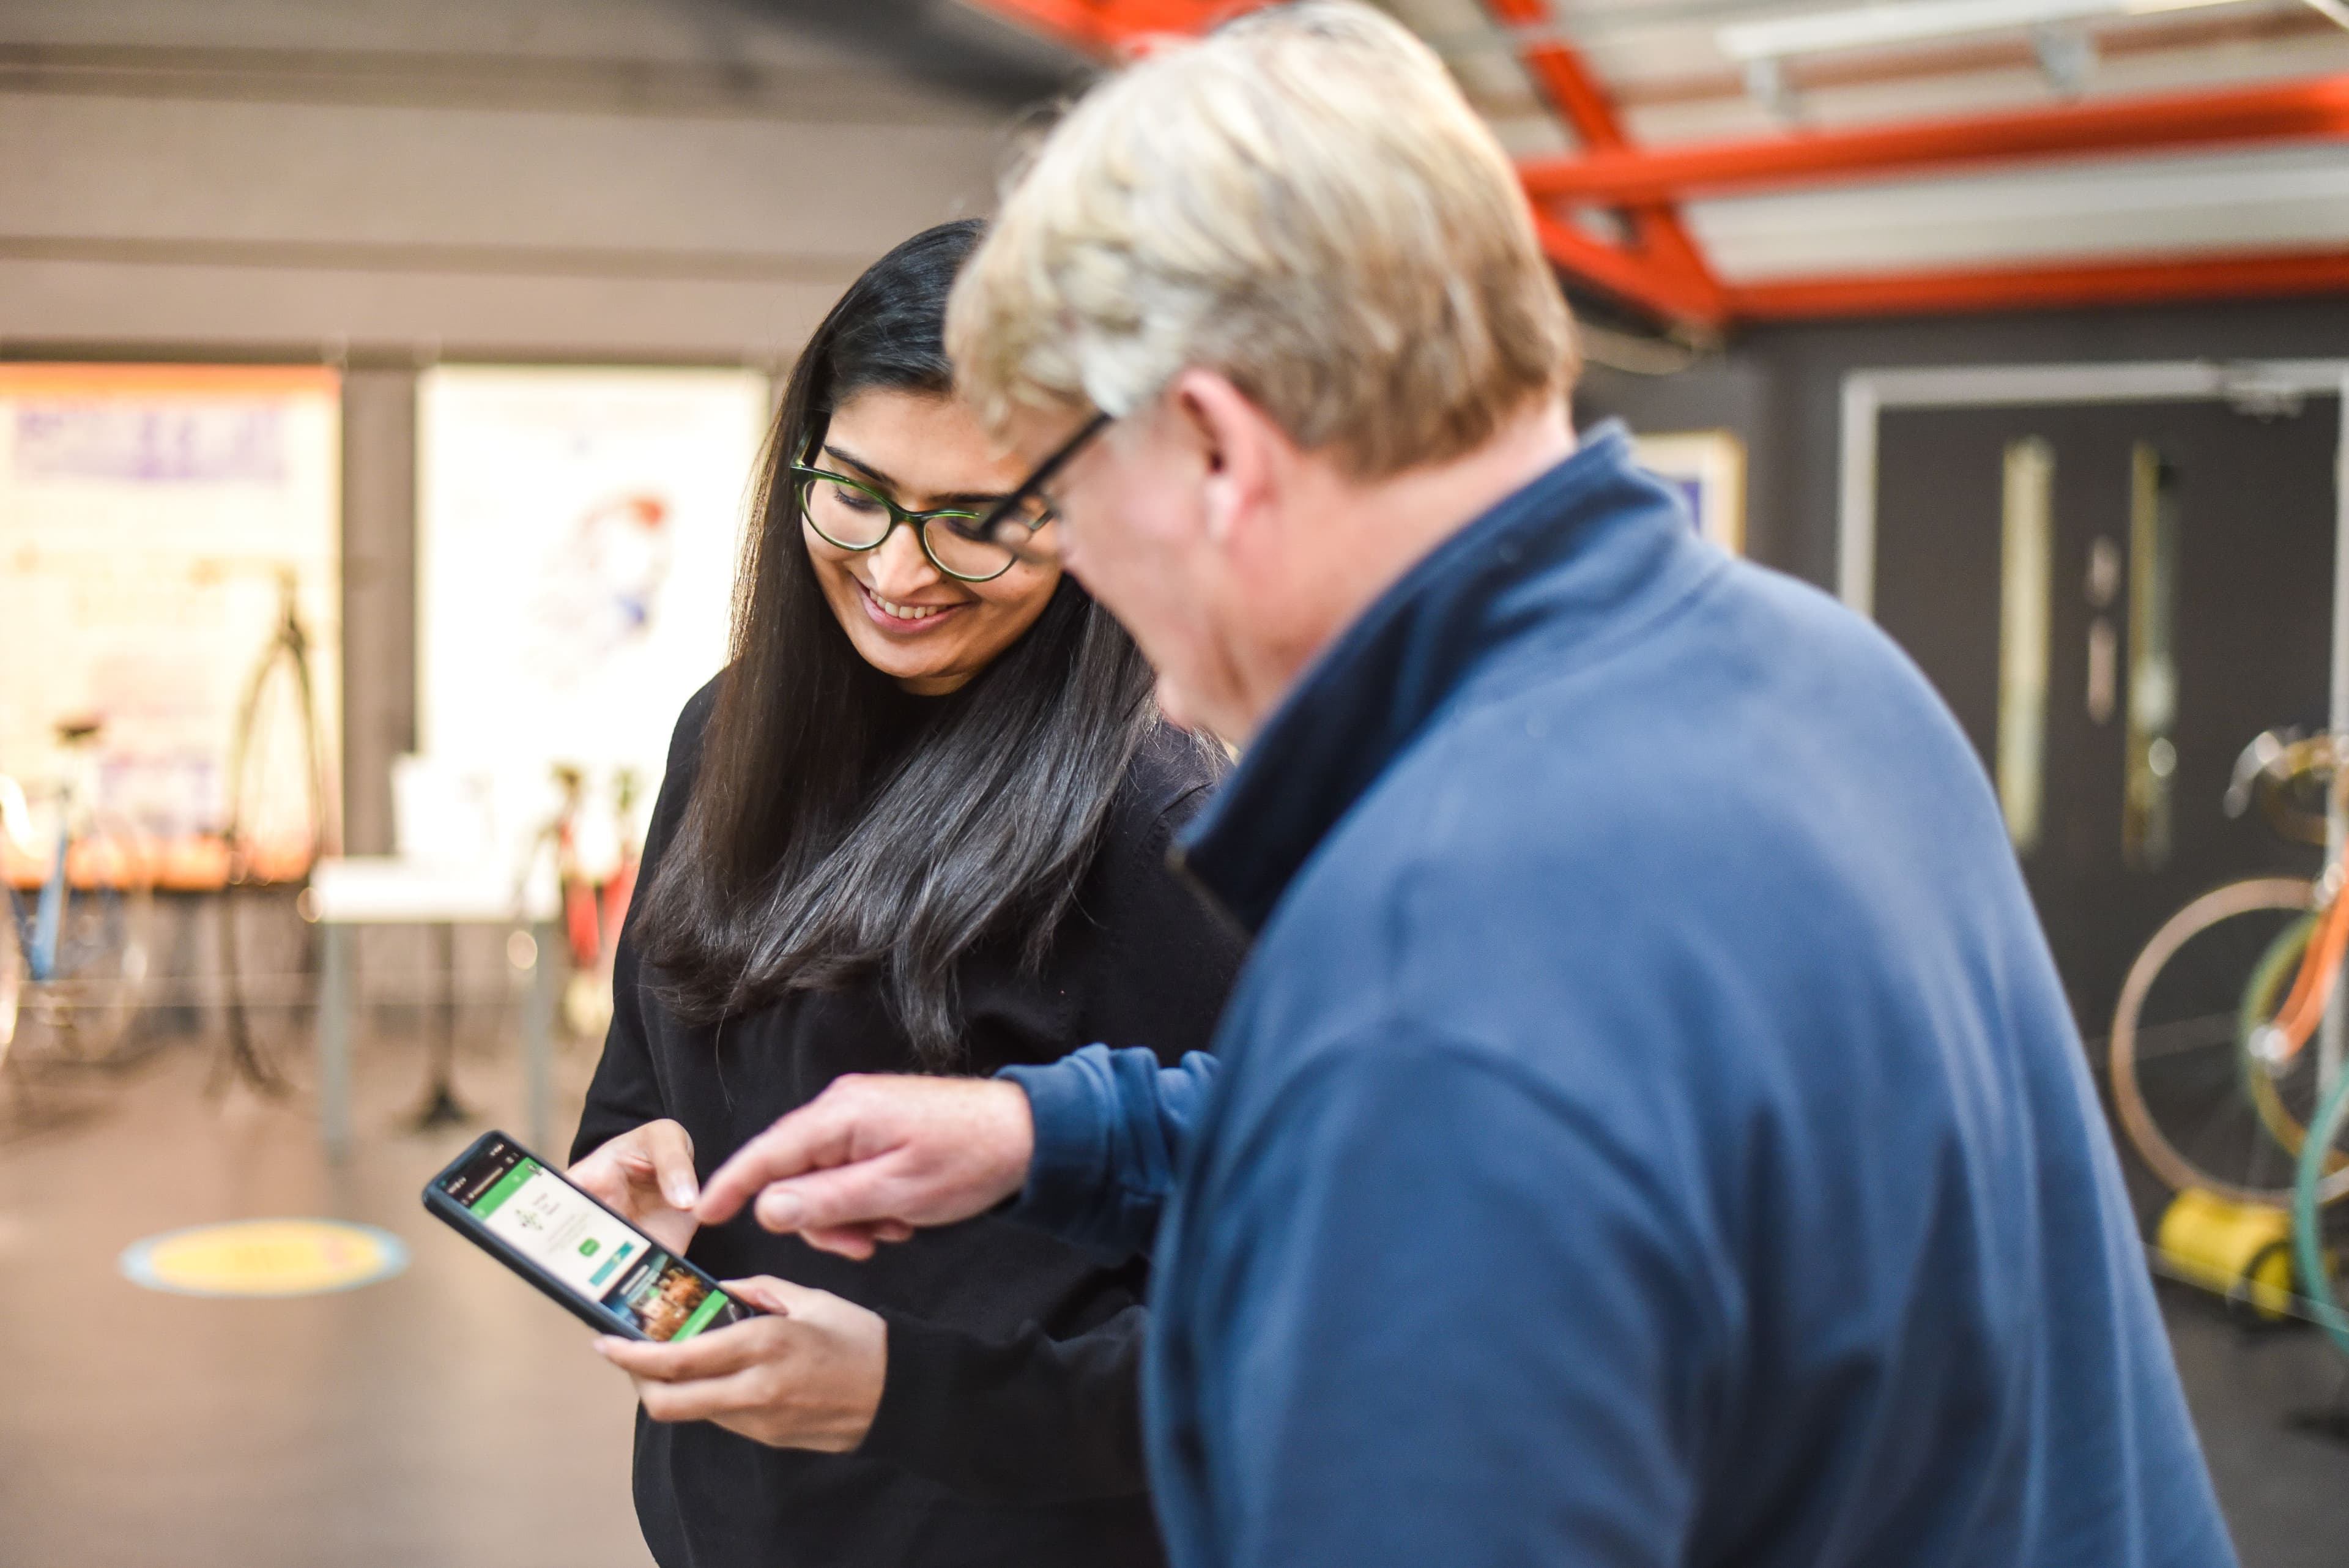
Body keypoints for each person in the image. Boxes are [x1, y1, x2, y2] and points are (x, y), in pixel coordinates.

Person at [660, 8, 2241, 1568]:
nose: (1082, 578)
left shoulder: (1448, 944)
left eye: (1058, 497)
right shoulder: (1822, 674)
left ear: (1215, 451)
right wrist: (1049, 1129)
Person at [570, 220, 1245, 1568]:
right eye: (860, 494)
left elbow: (1253, 1315)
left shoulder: (1154, 820)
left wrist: (908, 1396)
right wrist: (631, 1165)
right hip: (726, 1518)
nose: (896, 573)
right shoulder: (728, 732)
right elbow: (649, 1071)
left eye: (982, 522)